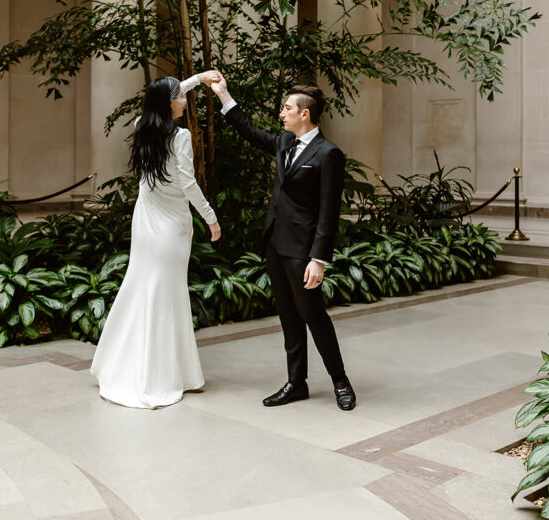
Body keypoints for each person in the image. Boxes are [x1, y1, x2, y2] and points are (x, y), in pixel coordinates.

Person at [207, 75, 356, 411]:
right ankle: (296, 383)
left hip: (304, 250)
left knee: (313, 315)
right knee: (288, 317)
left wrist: (318, 258)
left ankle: (340, 381)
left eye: (287, 108)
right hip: (275, 243)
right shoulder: (285, 143)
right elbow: (249, 130)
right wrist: (224, 95)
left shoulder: (328, 153)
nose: (281, 113)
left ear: (305, 114)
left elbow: (329, 211)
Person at [91, 72, 221, 409]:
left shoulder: (141, 126)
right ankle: (159, 375)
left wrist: (198, 79)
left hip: (147, 221)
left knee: (143, 285)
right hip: (173, 225)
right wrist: (211, 218)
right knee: (166, 294)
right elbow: (189, 185)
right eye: (180, 97)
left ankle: (126, 363)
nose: (184, 100)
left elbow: (160, 96)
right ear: (169, 103)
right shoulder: (179, 136)